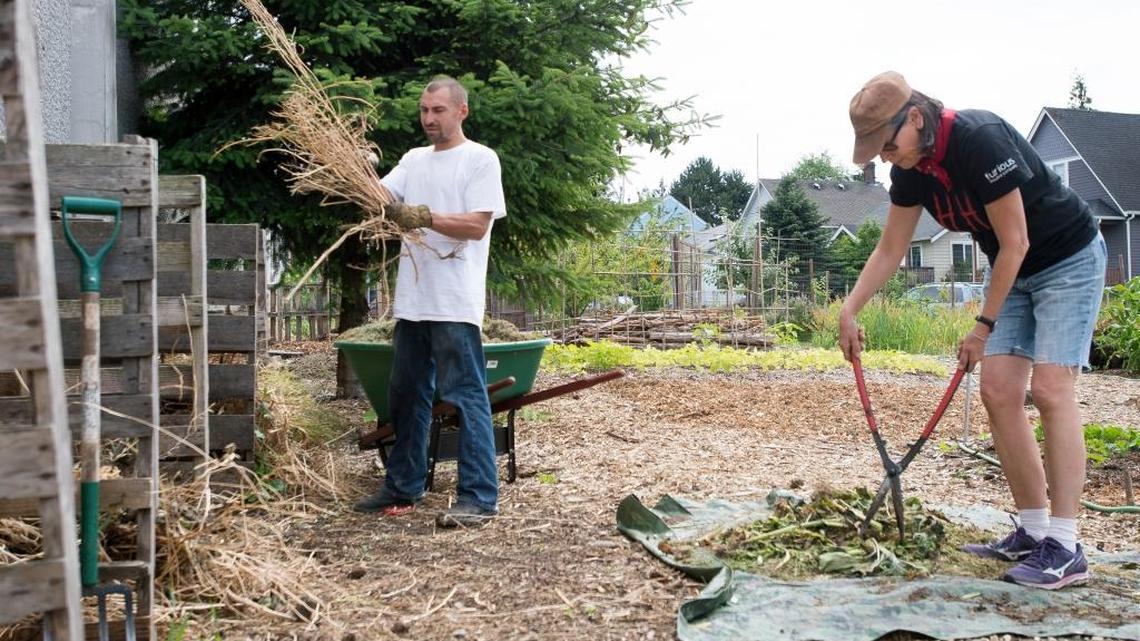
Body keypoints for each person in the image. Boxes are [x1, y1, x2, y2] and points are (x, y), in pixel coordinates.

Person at [842, 71, 1106, 589]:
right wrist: (849, 310)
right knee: (998, 391)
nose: (885, 158)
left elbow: (1016, 240)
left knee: (1050, 389)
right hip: (1015, 271)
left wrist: (982, 327)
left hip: (1067, 259)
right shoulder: (912, 171)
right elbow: (890, 249)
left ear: (914, 118)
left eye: (887, 145)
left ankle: (1066, 545)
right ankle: (1033, 529)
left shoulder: (979, 139)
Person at [353, 75, 507, 528]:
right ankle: (405, 484)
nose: (428, 118)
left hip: (453, 301)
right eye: (424, 110)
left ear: (461, 111)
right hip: (413, 301)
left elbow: (477, 225)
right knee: (406, 394)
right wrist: (360, 170)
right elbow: (382, 198)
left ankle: (479, 497)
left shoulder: (480, 159)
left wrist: (425, 216)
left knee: (465, 396)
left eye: (438, 110)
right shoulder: (413, 160)